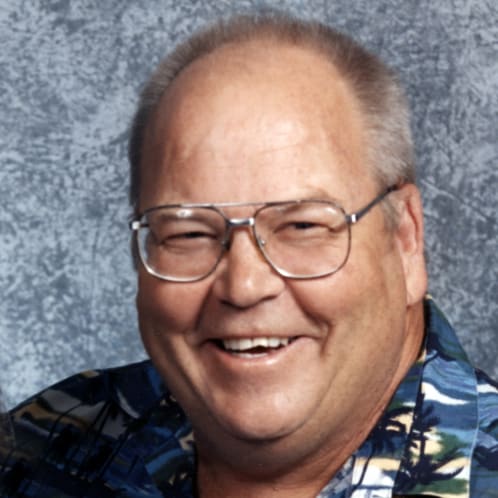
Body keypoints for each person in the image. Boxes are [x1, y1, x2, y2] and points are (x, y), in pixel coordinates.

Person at [1, 11, 497, 498]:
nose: (243, 287)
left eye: (302, 226)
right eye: (189, 233)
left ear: (406, 238)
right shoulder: (34, 449)